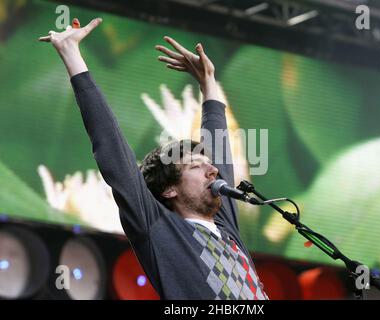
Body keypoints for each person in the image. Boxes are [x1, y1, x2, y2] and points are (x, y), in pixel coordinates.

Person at [39, 17, 268, 300]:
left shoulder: (226, 227)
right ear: (169, 189)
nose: (213, 171)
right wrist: (72, 55)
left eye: (208, 164)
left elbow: (218, 150)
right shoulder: (160, 230)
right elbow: (112, 149)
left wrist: (208, 84)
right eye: (196, 166)